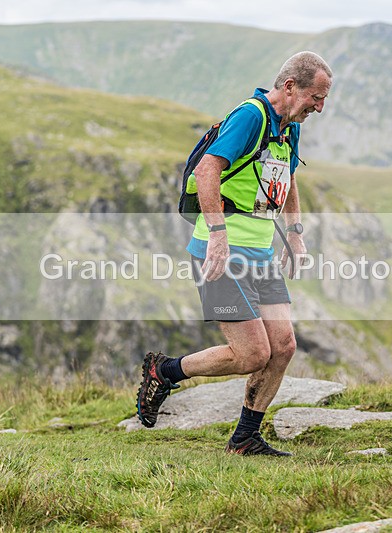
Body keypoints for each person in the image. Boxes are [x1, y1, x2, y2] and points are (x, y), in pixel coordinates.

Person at [137, 51, 333, 456]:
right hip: (220, 253)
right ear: (290, 86)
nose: (320, 106)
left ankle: (245, 438)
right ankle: (165, 371)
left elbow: (289, 176)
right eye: (316, 96)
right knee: (251, 354)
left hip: (260, 252)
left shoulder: (288, 126)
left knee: (283, 346)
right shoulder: (251, 116)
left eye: (324, 98)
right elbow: (206, 171)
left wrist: (295, 234)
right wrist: (219, 235)